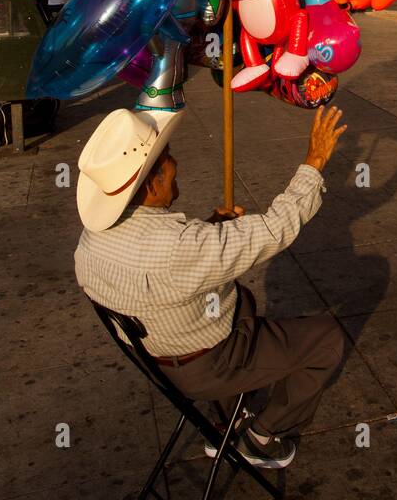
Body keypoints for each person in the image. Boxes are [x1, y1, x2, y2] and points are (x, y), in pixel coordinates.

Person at [74, 104, 347, 470]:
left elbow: (160, 270)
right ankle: (262, 435)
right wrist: (313, 162)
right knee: (327, 339)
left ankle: (229, 418)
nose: (175, 163)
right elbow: (275, 228)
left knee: (243, 301)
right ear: (152, 182)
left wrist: (209, 229)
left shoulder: (89, 241)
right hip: (208, 365)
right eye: (167, 157)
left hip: (156, 360)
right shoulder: (181, 246)